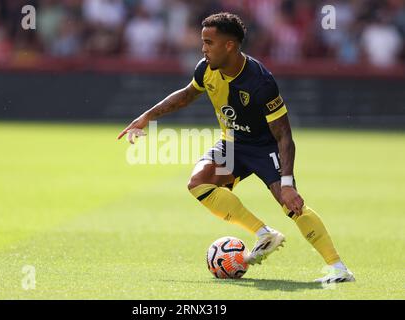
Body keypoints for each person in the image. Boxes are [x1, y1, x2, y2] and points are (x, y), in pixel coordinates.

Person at [118, 12, 354, 283]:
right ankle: (264, 233)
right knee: (199, 183)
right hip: (233, 143)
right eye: (203, 42)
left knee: (291, 204)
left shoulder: (260, 82)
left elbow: (285, 136)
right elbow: (186, 95)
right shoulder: (206, 69)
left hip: (265, 147)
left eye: (209, 42)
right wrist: (147, 116)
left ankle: (338, 269)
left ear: (229, 45)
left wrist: (287, 183)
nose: (203, 48)